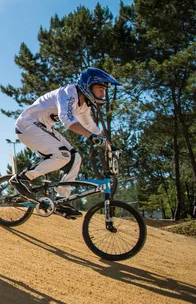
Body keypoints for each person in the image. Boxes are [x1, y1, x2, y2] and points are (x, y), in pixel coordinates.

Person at [9, 67, 121, 218]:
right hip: (27, 125)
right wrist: (91, 137)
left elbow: (90, 127)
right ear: (88, 85)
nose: (103, 93)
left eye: (104, 90)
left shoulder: (83, 105)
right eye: (100, 88)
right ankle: (22, 178)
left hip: (42, 127)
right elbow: (68, 121)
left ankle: (62, 199)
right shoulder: (69, 93)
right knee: (63, 155)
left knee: (75, 157)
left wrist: (109, 145)